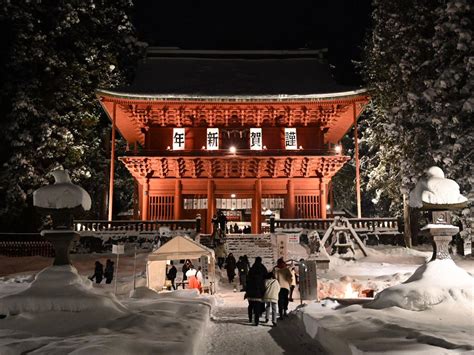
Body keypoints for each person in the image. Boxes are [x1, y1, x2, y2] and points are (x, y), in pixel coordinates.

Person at [245, 256, 268, 326]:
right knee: (257, 306)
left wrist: (247, 289)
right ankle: (256, 321)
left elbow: (247, 280)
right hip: (259, 291)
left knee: (250, 305)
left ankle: (250, 318)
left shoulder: (252, 269)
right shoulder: (263, 268)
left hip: (251, 290)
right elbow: (266, 277)